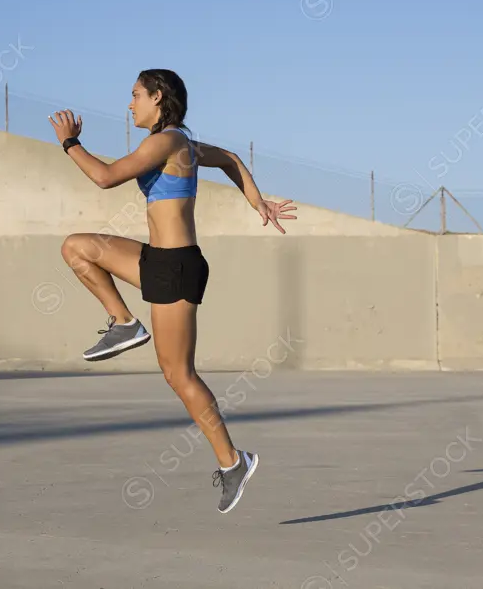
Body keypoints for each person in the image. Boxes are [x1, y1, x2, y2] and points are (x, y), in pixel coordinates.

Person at [48, 68, 297, 513]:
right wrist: (256, 200)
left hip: (177, 268)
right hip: (158, 261)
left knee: (179, 376)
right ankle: (124, 323)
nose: (130, 105)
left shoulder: (166, 142)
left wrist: (70, 143)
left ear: (158, 97)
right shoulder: (183, 142)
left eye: (135, 95)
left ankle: (233, 462)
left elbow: (105, 178)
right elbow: (231, 159)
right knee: (77, 248)